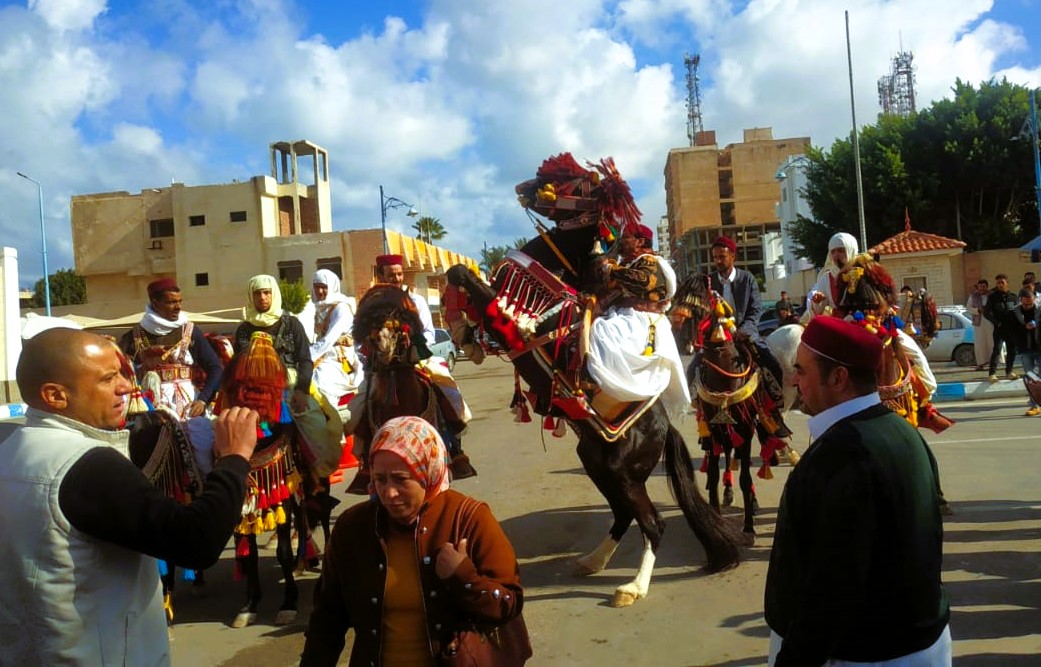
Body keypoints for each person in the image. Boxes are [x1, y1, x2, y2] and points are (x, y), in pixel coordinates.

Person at [0, 328, 258, 665]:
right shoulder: (85, 464)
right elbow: (198, 540)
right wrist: (233, 458)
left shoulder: (10, 448)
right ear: (55, 395)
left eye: (123, 373)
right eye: (108, 379)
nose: (126, 386)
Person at [765, 316, 951, 667]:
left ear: (838, 378)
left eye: (801, 370)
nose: (793, 381)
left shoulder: (843, 455)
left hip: (863, 655)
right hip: (916, 643)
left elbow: (833, 585)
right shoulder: (901, 430)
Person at [301, 415, 528, 665]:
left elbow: (509, 604)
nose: (388, 493)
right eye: (380, 479)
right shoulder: (352, 528)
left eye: (401, 479)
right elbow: (327, 620)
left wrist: (463, 577)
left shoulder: (470, 518)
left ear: (427, 473)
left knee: (448, 396)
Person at [346, 254, 475, 484]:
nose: (396, 278)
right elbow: (359, 339)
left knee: (447, 388)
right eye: (390, 274)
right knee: (357, 408)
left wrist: (409, 343)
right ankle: (365, 462)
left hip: (415, 360)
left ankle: (455, 449)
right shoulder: (370, 303)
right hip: (380, 368)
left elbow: (428, 333)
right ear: (380, 275)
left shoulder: (415, 300)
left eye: (398, 273)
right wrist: (372, 350)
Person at [587, 223, 689, 418]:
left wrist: (613, 270)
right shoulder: (628, 263)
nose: (622, 241)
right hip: (627, 316)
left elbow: (644, 281)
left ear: (640, 241)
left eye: (626, 237)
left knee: (602, 331)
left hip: (643, 320)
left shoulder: (649, 261)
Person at [707, 235, 791, 437]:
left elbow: (755, 310)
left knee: (771, 363)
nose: (718, 261)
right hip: (718, 336)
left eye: (722, 257)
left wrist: (744, 329)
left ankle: (774, 411)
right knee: (695, 368)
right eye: (715, 257)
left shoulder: (747, 279)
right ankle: (702, 413)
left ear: (733, 257)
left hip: (745, 334)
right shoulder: (709, 282)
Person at [119, 277, 223, 418]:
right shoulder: (134, 335)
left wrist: (203, 400)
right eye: (172, 302)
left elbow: (215, 368)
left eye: (180, 301)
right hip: (147, 409)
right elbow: (120, 371)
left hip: (187, 409)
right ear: (155, 303)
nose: (178, 306)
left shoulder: (190, 331)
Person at [234, 274, 313, 414]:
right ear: (251, 296)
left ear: (274, 294)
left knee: (317, 424)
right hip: (254, 394)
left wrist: (301, 391)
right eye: (257, 293)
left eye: (266, 292)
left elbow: (305, 360)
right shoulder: (243, 330)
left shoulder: (292, 324)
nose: (262, 297)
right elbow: (237, 366)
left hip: (290, 388)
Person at [308, 269, 362, 413]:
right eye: (316, 286)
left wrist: (308, 354)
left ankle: (330, 418)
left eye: (324, 287)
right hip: (322, 353)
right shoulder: (317, 307)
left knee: (321, 378)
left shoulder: (341, 308)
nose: (319, 291)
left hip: (340, 358)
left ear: (331, 287)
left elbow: (329, 339)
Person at [805, 232, 858, 319]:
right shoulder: (825, 278)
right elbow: (818, 311)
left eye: (841, 250)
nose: (836, 255)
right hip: (839, 325)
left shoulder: (863, 272)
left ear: (851, 250)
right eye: (833, 251)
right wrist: (817, 302)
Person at [983, 273, 1019, 382]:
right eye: (998, 283)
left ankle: (1009, 372)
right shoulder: (993, 297)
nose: (1000, 285)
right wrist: (996, 322)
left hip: (1011, 329)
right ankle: (992, 374)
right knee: (997, 350)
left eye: (1002, 283)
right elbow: (986, 313)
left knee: (1011, 351)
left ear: (1007, 283)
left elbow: (1018, 312)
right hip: (999, 329)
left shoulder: (1013, 297)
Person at [1011, 287, 1041, 416]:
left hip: (1040, 348)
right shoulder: (1015, 313)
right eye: (1025, 303)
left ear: (1034, 299)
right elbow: (1011, 331)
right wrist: (1024, 327)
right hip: (1025, 349)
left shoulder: (1040, 310)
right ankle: (1034, 405)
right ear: (1020, 301)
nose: (1028, 306)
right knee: (1030, 378)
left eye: (1031, 303)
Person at [966, 278, 995, 371]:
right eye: (980, 286)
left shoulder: (992, 295)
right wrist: (977, 310)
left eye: (984, 286)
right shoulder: (973, 296)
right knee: (980, 343)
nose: (982, 288)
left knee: (992, 342)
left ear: (987, 287)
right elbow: (968, 308)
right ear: (978, 287)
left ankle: (993, 362)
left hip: (990, 322)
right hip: (979, 322)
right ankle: (981, 363)